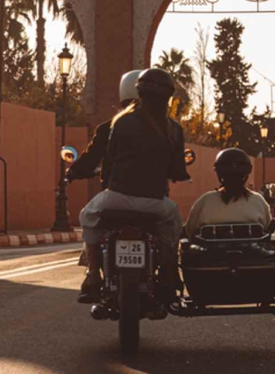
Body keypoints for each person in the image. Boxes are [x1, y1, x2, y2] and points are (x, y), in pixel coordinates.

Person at [76, 68, 191, 304]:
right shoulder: (174, 129)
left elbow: (109, 159)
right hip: (154, 202)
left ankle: (93, 274)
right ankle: (169, 274)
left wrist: (110, 181)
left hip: (117, 196)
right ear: (168, 97)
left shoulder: (121, 122)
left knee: (87, 216)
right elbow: (178, 170)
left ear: (139, 92)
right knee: (174, 223)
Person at [66, 69, 141, 190]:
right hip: (156, 196)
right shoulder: (166, 127)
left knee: (92, 205)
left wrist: (72, 172)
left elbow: (91, 159)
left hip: (117, 193)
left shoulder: (108, 128)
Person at [186, 148, 272, 232]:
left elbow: (190, 230)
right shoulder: (258, 201)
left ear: (219, 174)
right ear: (246, 174)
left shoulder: (205, 201)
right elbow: (268, 228)